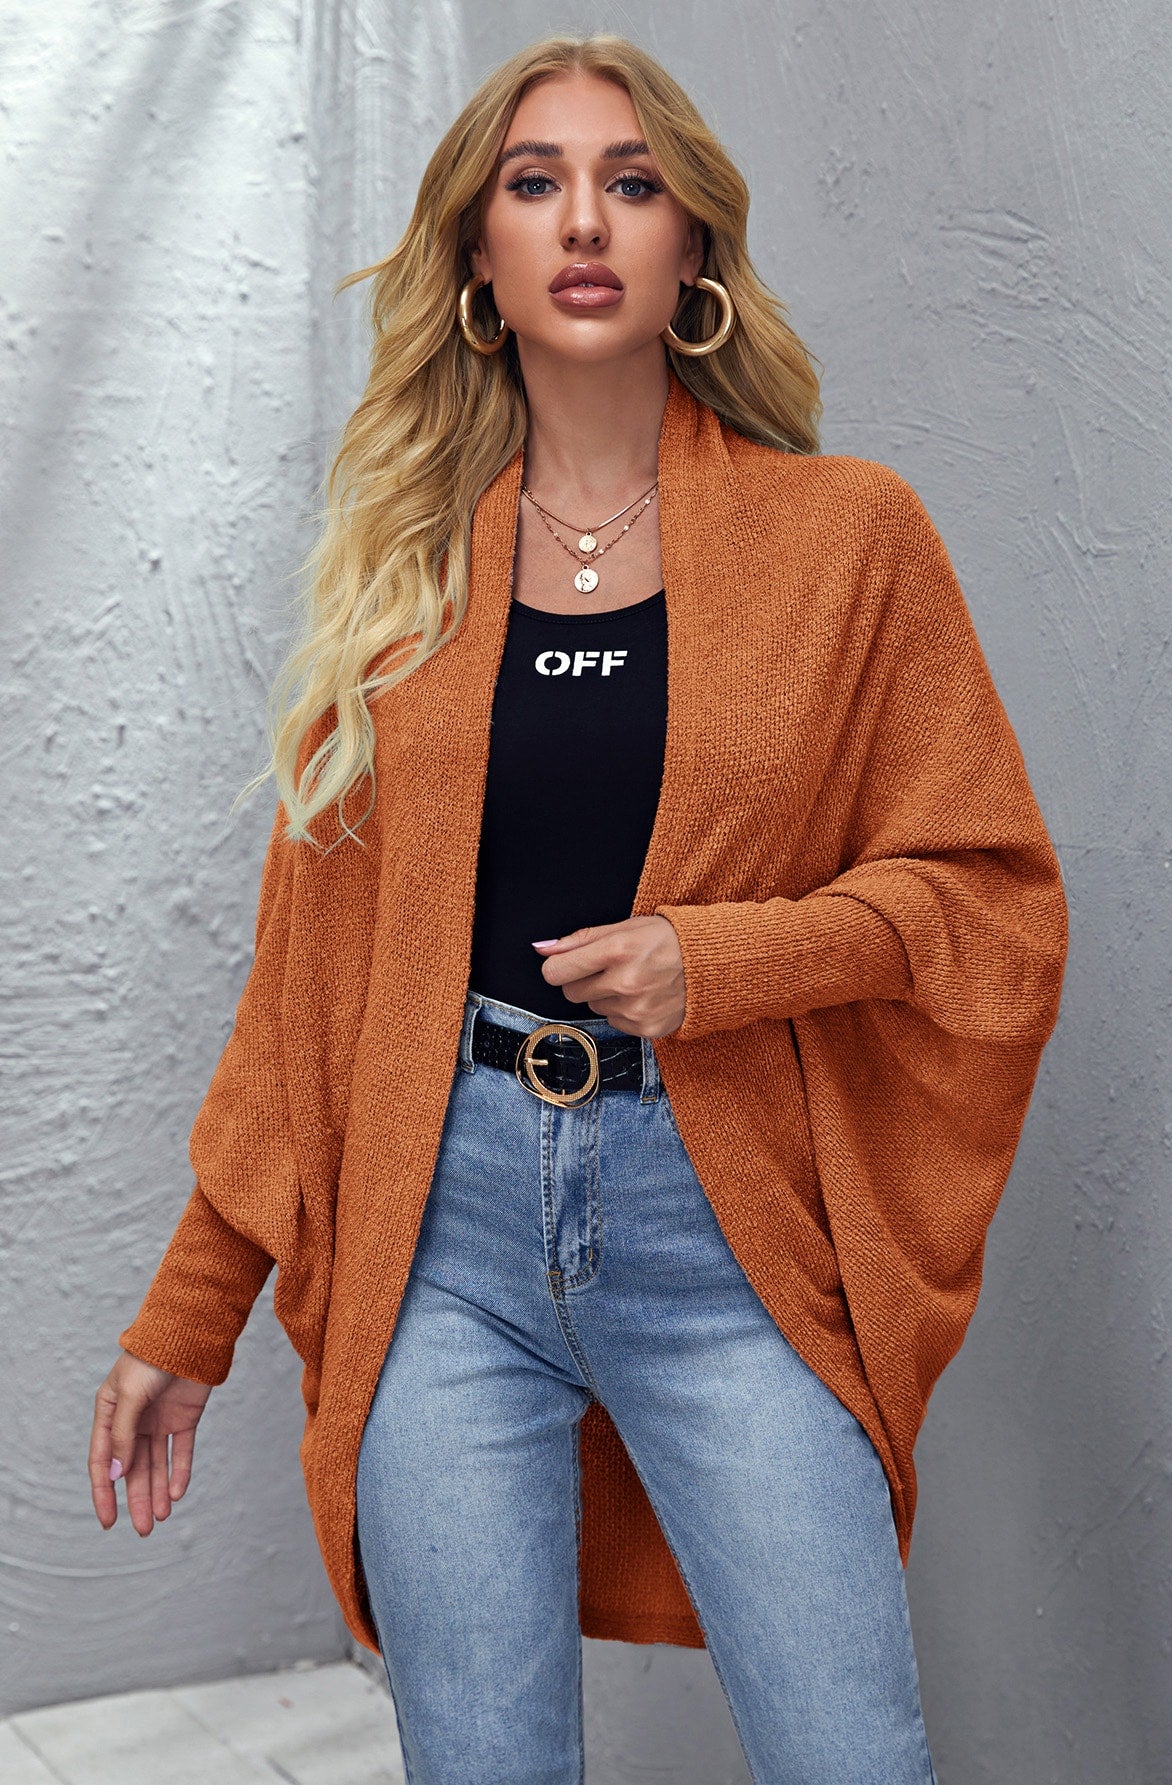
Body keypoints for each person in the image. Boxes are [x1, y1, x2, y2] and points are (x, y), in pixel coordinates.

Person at [89, 32, 1069, 1785]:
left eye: (632, 181)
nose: (586, 220)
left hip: (724, 1227)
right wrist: (189, 1313)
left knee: (852, 1754)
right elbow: (304, 993)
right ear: (481, 260)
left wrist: (726, 957)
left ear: (694, 246)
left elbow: (990, 900)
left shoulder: (849, 540)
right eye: (534, 184)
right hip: (443, 1235)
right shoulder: (406, 570)